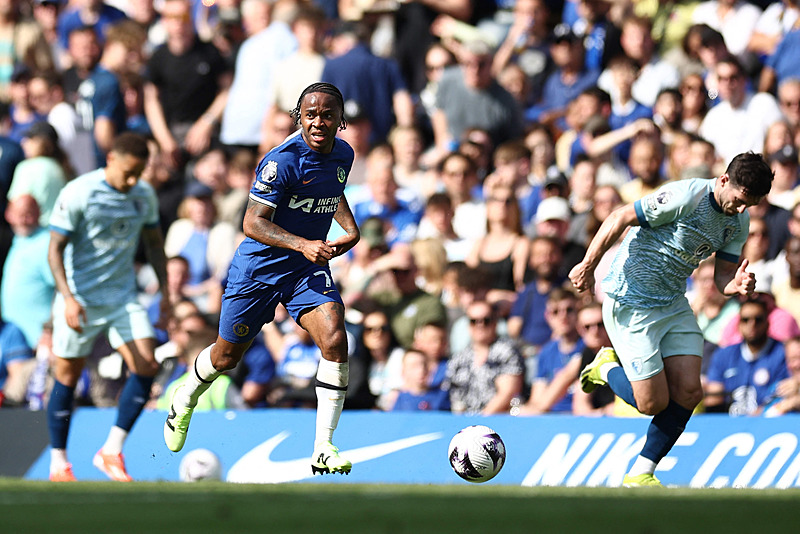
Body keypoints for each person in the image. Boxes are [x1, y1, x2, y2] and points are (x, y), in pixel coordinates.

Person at [163, 83, 360, 477]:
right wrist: (304, 243)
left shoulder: (344, 153)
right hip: (259, 271)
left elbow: (330, 189)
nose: (318, 122)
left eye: (327, 115)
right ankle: (186, 395)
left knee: (336, 338)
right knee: (226, 357)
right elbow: (251, 222)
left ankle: (323, 446)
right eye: (310, 114)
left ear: (341, 121)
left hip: (304, 270)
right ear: (298, 117)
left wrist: (350, 230)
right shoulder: (281, 162)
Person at [569, 151, 774, 487]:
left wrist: (735, 285)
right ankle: (604, 366)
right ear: (724, 180)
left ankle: (641, 473)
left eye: (748, 205)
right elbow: (620, 216)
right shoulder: (685, 196)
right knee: (652, 403)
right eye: (738, 200)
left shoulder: (739, 221)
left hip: (673, 302)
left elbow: (723, 276)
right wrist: (588, 264)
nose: (740, 210)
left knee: (690, 392)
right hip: (631, 301)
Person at [46, 133, 170, 482]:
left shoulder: (143, 195)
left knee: (147, 364)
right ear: (111, 159)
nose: (133, 181)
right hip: (81, 300)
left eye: (140, 173)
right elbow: (54, 249)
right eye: (129, 172)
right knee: (67, 377)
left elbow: (155, 245)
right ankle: (59, 463)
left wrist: (168, 297)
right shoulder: (79, 192)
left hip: (122, 298)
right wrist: (68, 298)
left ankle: (111, 451)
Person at [704, 293, 788, 415]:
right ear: (738, 325)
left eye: (758, 319)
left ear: (768, 323)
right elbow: (713, 399)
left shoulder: (782, 354)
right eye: (745, 320)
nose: (751, 325)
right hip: (728, 422)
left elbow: (785, 393)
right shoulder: (723, 355)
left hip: (769, 421)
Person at [444, 299, 524, 415]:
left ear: (495, 322)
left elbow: (507, 393)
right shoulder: (459, 358)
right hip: (464, 424)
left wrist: (479, 422)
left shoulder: (506, 352)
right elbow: (454, 397)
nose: (480, 325)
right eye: (474, 321)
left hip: (498, 422)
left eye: (486, 320)